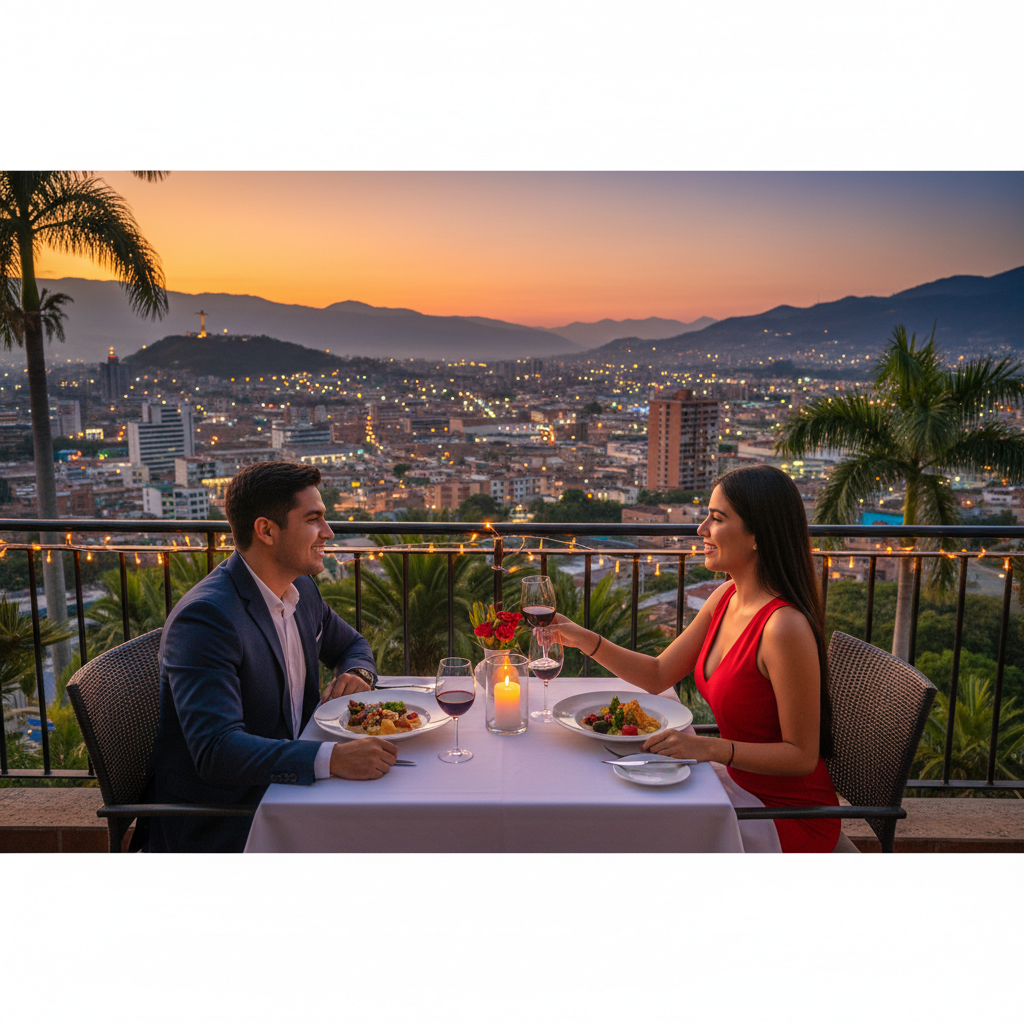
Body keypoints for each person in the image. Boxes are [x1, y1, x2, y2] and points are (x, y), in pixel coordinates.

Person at [554, 464, 841, 853]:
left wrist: (710, 748)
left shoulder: (782, 627)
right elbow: (658, 674)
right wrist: (583, 638)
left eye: (717, 518)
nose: (701, 529)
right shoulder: (726, 597)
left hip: (785, 815)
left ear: (758, 535)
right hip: (735, 785)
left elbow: (802, 756)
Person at [142, 462, 397, 853]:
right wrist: (333, 759)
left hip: (290, 790)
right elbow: (217, 750)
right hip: (229, 819)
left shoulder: (301, 590)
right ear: (266, 530)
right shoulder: (208, 619)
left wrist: (358, 674)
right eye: (314, 520)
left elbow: (351, 646)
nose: (328, 533)